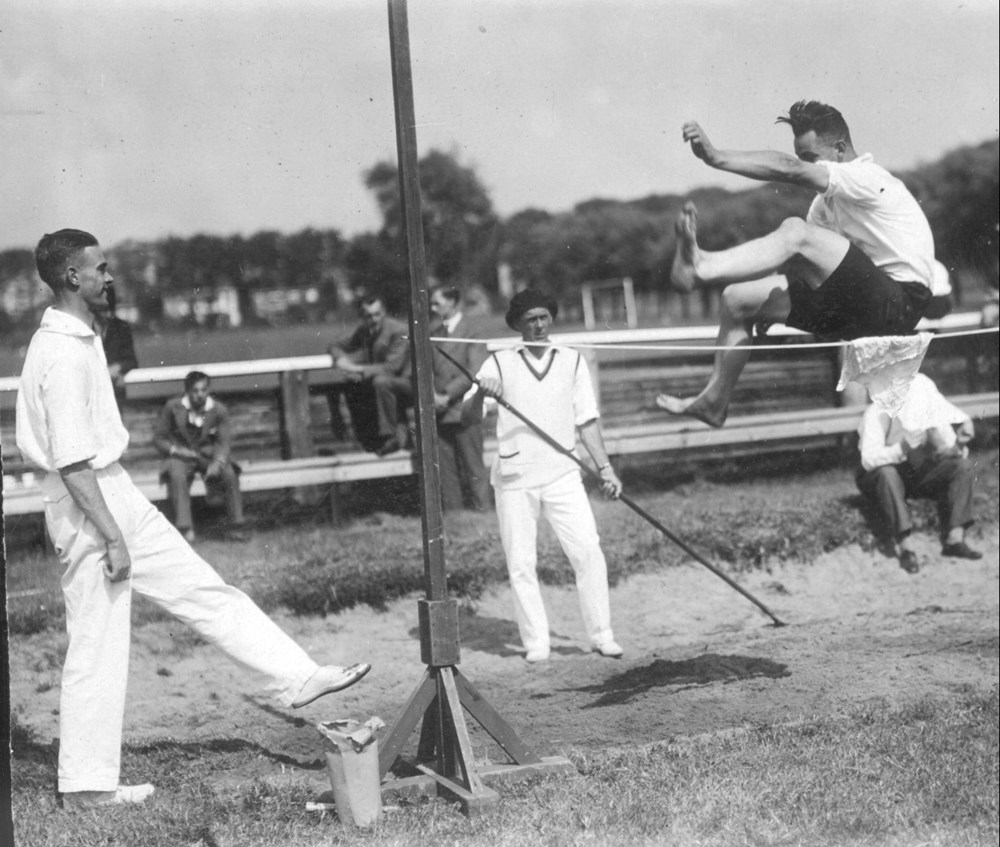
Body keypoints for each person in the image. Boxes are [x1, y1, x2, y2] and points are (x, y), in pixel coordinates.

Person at [15, 230, 371, 808]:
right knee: (97, 643)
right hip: (86, 506)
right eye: (100, 269)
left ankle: (296, 678)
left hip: (114, 488)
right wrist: (111, 537)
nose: (109, 277)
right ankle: (85, 785)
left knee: (204, 586)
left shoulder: (85, 335)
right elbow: (72, 461)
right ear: (71, 278)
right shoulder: (55, 350)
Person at [659, 100, 934, 427]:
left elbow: (789, 172)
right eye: (800, 157)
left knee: (796, 231)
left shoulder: (865, 176)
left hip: (900, 303)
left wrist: (716, 157)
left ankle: (702, 265)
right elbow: (807, 262)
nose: (803, 167)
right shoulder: (823, 206)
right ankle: (714, 403)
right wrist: (771, 304)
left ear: (840, 149)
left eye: (809, 159)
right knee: (737, 300)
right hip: (855, 310)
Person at [463, 289, 624, 663]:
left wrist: (605, 468)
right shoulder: (498, 363)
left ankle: (602, 635)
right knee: (521, 563)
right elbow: (469, 417)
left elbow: (587, 421)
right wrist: (479, 395)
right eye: (530, 319)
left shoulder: (571, 361)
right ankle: (537, 642)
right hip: (515, 477)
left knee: (587, 551)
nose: (538, 325)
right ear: (517, 324)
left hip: (563, 474)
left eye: (544, 317)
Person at [856, 372, 982, 574]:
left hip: (914, 475)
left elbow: (952, 453)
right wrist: (902, 448)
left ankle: (955, 540)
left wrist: (959, 444)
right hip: (880, 477)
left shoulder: (928, 411)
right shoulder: (877, 413)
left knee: (962, 466)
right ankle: (906, 547)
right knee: (887, 473)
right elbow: (868, 460)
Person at [153, 370, 247, 543]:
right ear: (187, 391)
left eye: (203, 390)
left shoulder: (218, 410)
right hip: (181, 456)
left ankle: (236, 526)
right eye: (195, 391)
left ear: (208, 390)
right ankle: (185, 528)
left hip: (208, 456)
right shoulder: (173, 407)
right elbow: (159, 438)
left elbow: (224, 442)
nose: (200, 395)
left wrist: (218, 462)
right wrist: (175, 450)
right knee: (177, 474)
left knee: (229, 474)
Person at [429, 285, 491, 512]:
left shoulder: (471, 330)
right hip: (438, 410)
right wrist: (433, 397)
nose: (433, 308)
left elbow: (474, 370)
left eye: (437, 303)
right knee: (446, 471)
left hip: (464, 408)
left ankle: (483, 514)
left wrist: (447, 395)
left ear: (452, 302)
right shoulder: (433, 332)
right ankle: (455, 518)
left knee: (474, 467)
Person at [328, 295, 412, 456]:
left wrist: (354, 367)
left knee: (379, 381)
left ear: (384, 312)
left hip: (409, 382)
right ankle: (365, 439)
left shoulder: (398, 330)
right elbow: (336, 345)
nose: (373, 319)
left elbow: (392, 368)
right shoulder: (365, 330)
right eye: (368, 316)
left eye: (377, 314)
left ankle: (390, 436)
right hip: (385, 382)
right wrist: (340, 358)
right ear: (362, 316)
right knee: (354, 385)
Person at [91, 284, 138, 410]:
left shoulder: (121, 327)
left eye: (110, 309)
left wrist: (118, 367)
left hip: (115, 392)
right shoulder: (85, 328)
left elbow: (132, 361)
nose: (107, 314)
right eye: (103, 309)